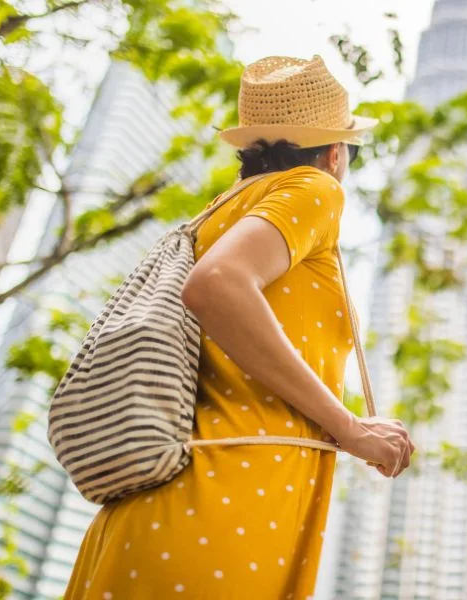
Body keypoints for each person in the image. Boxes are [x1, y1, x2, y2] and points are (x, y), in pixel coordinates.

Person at [64, 55, 415, 599]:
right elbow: (215, 285)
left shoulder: (216, 213)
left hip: (151, 508)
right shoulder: (315, 189)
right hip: (227, 500)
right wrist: (349, 427)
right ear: (334, 153)